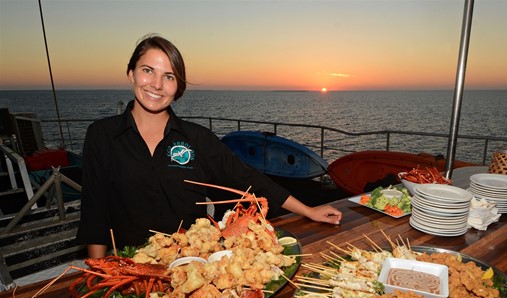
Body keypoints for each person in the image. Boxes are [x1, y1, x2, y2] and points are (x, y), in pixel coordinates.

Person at [77, 34, 341, 259]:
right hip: (132, 266)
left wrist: (308, 210)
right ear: (131, 73)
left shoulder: (198, 139)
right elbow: (94, 213)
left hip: (193, 261)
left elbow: (249, 180)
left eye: (168, 76)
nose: (157, 84)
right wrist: (99, 276)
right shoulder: (102, 135)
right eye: (148, 71)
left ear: (177, 86)